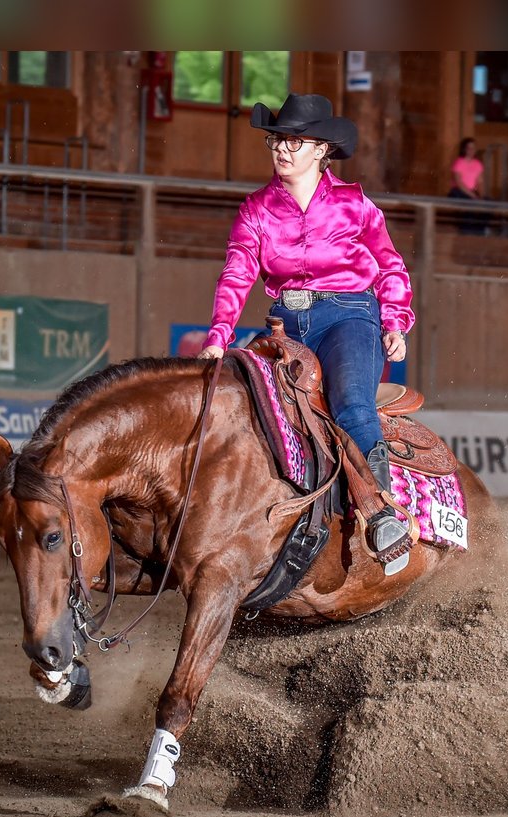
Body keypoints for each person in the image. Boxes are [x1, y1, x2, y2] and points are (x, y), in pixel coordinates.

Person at [197, 93, 415, 575]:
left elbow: (390, 265)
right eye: (277, 140)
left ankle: (381, 516)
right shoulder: (255, 210)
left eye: (294, 141)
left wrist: (396, 318)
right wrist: (218, 335)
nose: (281, 149)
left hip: (350, 317)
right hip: (286, 326)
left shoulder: (354, 204)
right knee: (247, 409)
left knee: (351, 403)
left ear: (321, 150)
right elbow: (236, 275)